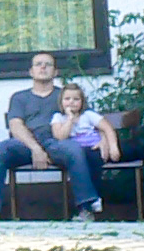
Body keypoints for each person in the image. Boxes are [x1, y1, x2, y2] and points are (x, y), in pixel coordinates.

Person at [0, 50, 67, 218]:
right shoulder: (19, 97)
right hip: (25, 145)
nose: (43, 67)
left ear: (55, 72)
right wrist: (36, 149)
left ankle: (86, 208)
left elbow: (82, 118)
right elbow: (15, 125)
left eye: (48, 64)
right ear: (31, 72)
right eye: (38, 64)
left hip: (56, 142)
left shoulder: (65, 96)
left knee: (75, 151)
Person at [50, 83, 117, 213]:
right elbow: (60, 136)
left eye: (76, 99)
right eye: (67, 99)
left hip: (94, 147)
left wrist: (112, 146)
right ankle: (91, 200)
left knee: (93, 157)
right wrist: (70, 119)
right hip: (78, 152)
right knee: (82, 160)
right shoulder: (58, 117)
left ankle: (94, 198)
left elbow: (107, 128)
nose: (71, 102)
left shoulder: (88, 115)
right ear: (61, 101)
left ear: (82, 102)